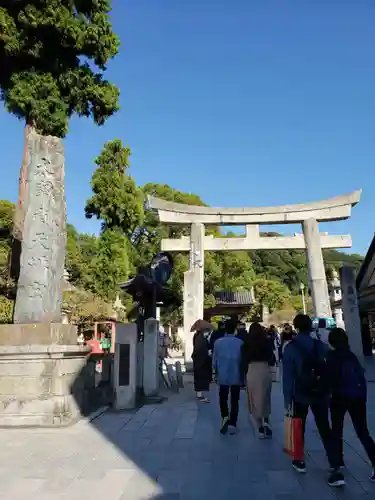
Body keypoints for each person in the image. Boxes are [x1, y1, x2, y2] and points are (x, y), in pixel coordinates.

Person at [282, 314, 345, 487]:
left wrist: (287, 399)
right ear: (311, 327)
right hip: (320, 393)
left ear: (296, 327)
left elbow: (287, 377)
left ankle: (299, 460)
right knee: (325, 427)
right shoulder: (320, 346)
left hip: (300, 393)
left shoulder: (290, 348)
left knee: (298, 426)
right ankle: (334, 464)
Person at [327, 327, 375, 481]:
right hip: (358, 397)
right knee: (362, 431)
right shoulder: (351, 356)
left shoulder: (332, 357)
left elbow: (330, 380)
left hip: (339, 397)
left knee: (336, 431)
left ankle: (336, 464)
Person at [213, 319, 244, 435]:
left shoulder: (217, 342)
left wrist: (215, 372)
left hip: (223, 374)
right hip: (236, 374)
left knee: (223, 397)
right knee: (235, 399)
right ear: (235, 329)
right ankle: (233, 422)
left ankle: (225, 416)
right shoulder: (240, 343)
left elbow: (214, 360)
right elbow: (242, 360)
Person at [246, 322, 274, 438]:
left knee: (254, 398)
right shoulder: (267, 342)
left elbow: (244, 360)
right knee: (265, 397)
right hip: (265, 369)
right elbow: (272, 359)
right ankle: (266, 420)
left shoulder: (246, 344)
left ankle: (260, 428)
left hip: (252, 369)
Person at [192, 328, 212, 403]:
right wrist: (208, 353)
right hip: (201, 362)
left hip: (199, 361)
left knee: (199, 378)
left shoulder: (197, 338)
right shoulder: (201, 340)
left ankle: (199, 394)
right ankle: (200, 396)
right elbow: (203, 350)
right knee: (200, 378)